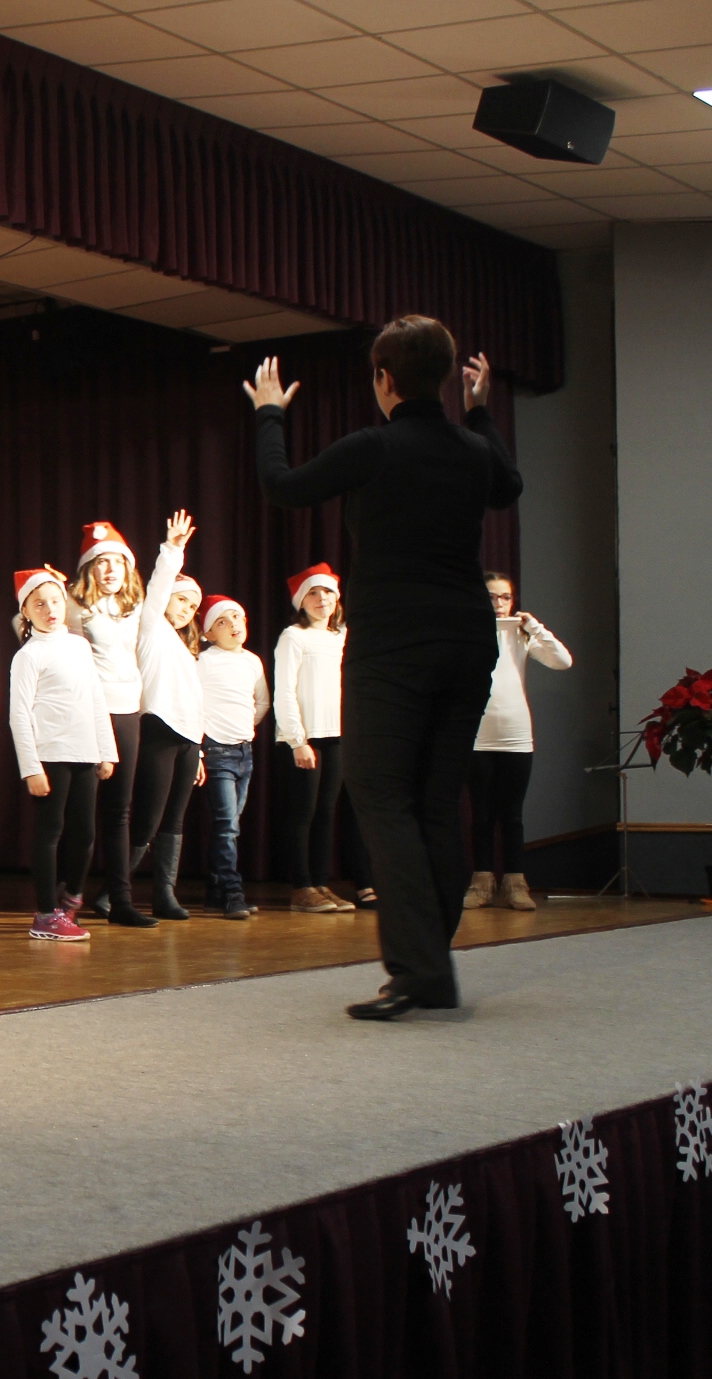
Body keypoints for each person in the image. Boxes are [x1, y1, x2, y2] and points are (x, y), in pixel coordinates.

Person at [249, 315, 522, 1019]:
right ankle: (430, 960)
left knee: (383, 801)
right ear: (443, 377)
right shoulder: (470, 448)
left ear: (384, 380)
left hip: (395, 649)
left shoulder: (374, 446)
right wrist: (483, 411)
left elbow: (283, 485)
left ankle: (420, 970)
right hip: (466, 643)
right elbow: (508, 483)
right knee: (435, 803)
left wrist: (272, 415)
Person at [12, 566, 117, 942]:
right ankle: (44, 914)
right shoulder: (29, 655)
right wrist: (31, 768)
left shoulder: (78, 645)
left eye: (55, 600)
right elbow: (19, 714)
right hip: (50, 755)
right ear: (26, 611)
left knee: (85, 833)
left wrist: (106, 751)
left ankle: (69, 901)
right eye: (39, 603)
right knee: (50, 832)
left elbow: (95, 699)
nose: (50, 609)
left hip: (84, 752)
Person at [67, 522, 157, 929]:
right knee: (82, 813)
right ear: (89, 569)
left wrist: (172, 550)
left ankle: (120, 900)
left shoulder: (134, 609)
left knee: (118, 812)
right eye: (101, 562)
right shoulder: (76, 606)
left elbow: (159, 592)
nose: (110, 570)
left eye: (117, 562)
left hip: (126, 714)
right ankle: (65, 899)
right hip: (89, 714)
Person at [465, 572, 572, 911]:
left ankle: (515, 883)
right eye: (492, 597)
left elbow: (563, 661)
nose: (499, 604)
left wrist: (536, 629)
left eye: (505, 597)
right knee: (482, 814)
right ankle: (481, 882)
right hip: (477, 735)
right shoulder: (467, 630)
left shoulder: (522, 634)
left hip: (515, 734)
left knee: (511, 814)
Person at [131, 511, 207, 921]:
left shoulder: (185, 648)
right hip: (159, 728)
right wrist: (173, 549)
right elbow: (158, 590)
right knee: (148, 814)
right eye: (183, 599)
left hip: (189, 738)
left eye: (193, 605)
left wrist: (201, 754)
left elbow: (195, 701)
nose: (187, 609)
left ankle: (165, 892)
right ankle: (115, 890)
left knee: (174, 818)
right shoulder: (150, 626)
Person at [272, 563, 356, 915]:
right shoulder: (294, 637)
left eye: (328, 592)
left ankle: (322, 883)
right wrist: (297, 739)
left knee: (326, 812)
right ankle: (302, 886)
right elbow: (285, 691)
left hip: (337, 735)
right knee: (303, 813)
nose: (322, 599)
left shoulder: (344, 637)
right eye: (313, 593)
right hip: (304, 738)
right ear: (301, 602)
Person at [195, 595, 270, 921]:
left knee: (230, 826)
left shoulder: (253, 661)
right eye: (222, 622)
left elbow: (263, 702)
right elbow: (192, 705)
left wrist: (244, 727)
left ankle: (215, 890)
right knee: (227, 826)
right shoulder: (203, 661)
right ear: (208, 634)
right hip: (217, 751)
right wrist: (203, 743)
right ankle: (233, 892)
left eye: (237, 617)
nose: (233, 625)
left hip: (244, 751)